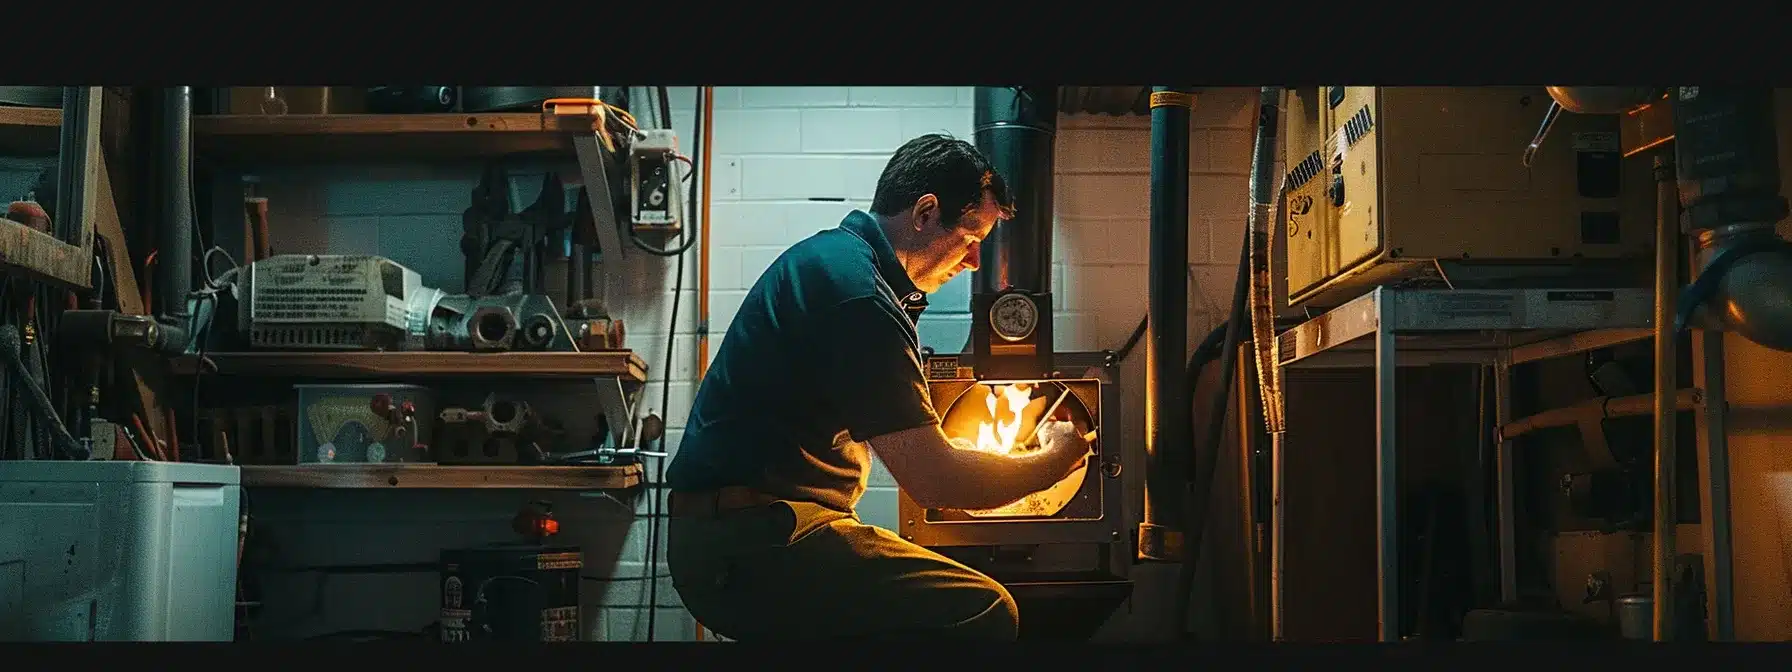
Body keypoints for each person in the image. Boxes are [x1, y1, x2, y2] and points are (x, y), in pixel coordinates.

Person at [664, 134, 1093, 641]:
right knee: (984, 610)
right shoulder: (858, 295)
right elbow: (937, 483)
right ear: (926, 212)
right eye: (973, 236)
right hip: (752, 542)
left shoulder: (842, 267)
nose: (977, 260)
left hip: (746, 532)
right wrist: (1055, 460)